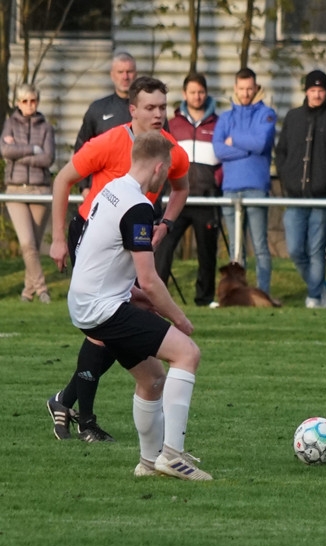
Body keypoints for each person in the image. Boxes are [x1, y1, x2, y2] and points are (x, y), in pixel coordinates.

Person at [47, 76, 191, 444]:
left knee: (125, 339)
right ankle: (85, 417)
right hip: (97, 243)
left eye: (163, 107)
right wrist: (59, 238)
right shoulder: (110, 144)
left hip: (123, 246)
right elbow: (63, 179)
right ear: (132, 110)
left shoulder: (159, 158)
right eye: (150, 107)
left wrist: (165, 225)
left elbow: (181, 187)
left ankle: (69, 404)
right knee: (115, 328)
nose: (158, 114)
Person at [69, 131, 211, 481]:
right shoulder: (138, 207)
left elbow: (99, 258)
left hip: (87, 303)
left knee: (152, 379)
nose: (168, 178)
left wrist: (135, 296)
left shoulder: (112, 188)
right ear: (159, 168)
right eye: (168, 170)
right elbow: (149, 279)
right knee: (187, 353)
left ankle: (148, 463)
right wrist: (180, 319)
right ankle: (172, 455)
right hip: (103, 308)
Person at [275, 69, 326, 308]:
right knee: (295, 249)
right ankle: (321, 286)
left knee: (316, 249)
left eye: (320, 90)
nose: (317, 94)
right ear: (306, 91)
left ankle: (314, 297)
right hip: (294, 196)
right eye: (313, 90)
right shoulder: (293, 117)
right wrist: (287, 177)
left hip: (322, 196)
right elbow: (281, 152)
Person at [156, 72, 223, 307]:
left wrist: (216, 179)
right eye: (193, 92)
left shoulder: (218, 124)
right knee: (163, 246)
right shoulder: (172, 125)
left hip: (206, 198)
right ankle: (157, 297)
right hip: (177, 197)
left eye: (201, 92)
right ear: (185, 94)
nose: (197, 96)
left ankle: (205, 298)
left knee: (207, 251)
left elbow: (223, 159)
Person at [213, 67, 277, 294]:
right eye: (241, 88)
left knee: (259, 245)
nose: (245, 93)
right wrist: (247, 148)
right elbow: (219, 150)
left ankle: (263, 293)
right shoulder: (225, 117)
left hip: (256, 187)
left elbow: (261, 144)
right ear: (235, 88)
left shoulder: (266, 114)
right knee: (236, 247)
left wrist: (234, 140)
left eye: (249, 88)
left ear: (256, 87)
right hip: (230, 188)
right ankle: (237, 293)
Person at [1, 84, 55, 303]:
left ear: (38, 102)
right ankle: (42, 290)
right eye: (25, 101)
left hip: (40, 190)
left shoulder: (47, 127)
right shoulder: (10, 124)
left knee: (33, 244)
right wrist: (33, 149)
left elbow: (48, 158)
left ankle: (27, 292)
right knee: (26, 243)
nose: (29, 105)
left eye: (33, 100)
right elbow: (5, 151)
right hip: (15, 190)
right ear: (18, 103)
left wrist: (18, 154)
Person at [74, 51, 137, 192]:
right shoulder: (98, 109)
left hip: (140, 190)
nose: (125, 77)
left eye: (129, 72)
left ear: (136, 74)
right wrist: (84, 187)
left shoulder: (149, 109)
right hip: (102, 190)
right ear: (112, 75)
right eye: (120, 72)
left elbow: (165, 152)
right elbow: (81, 147)